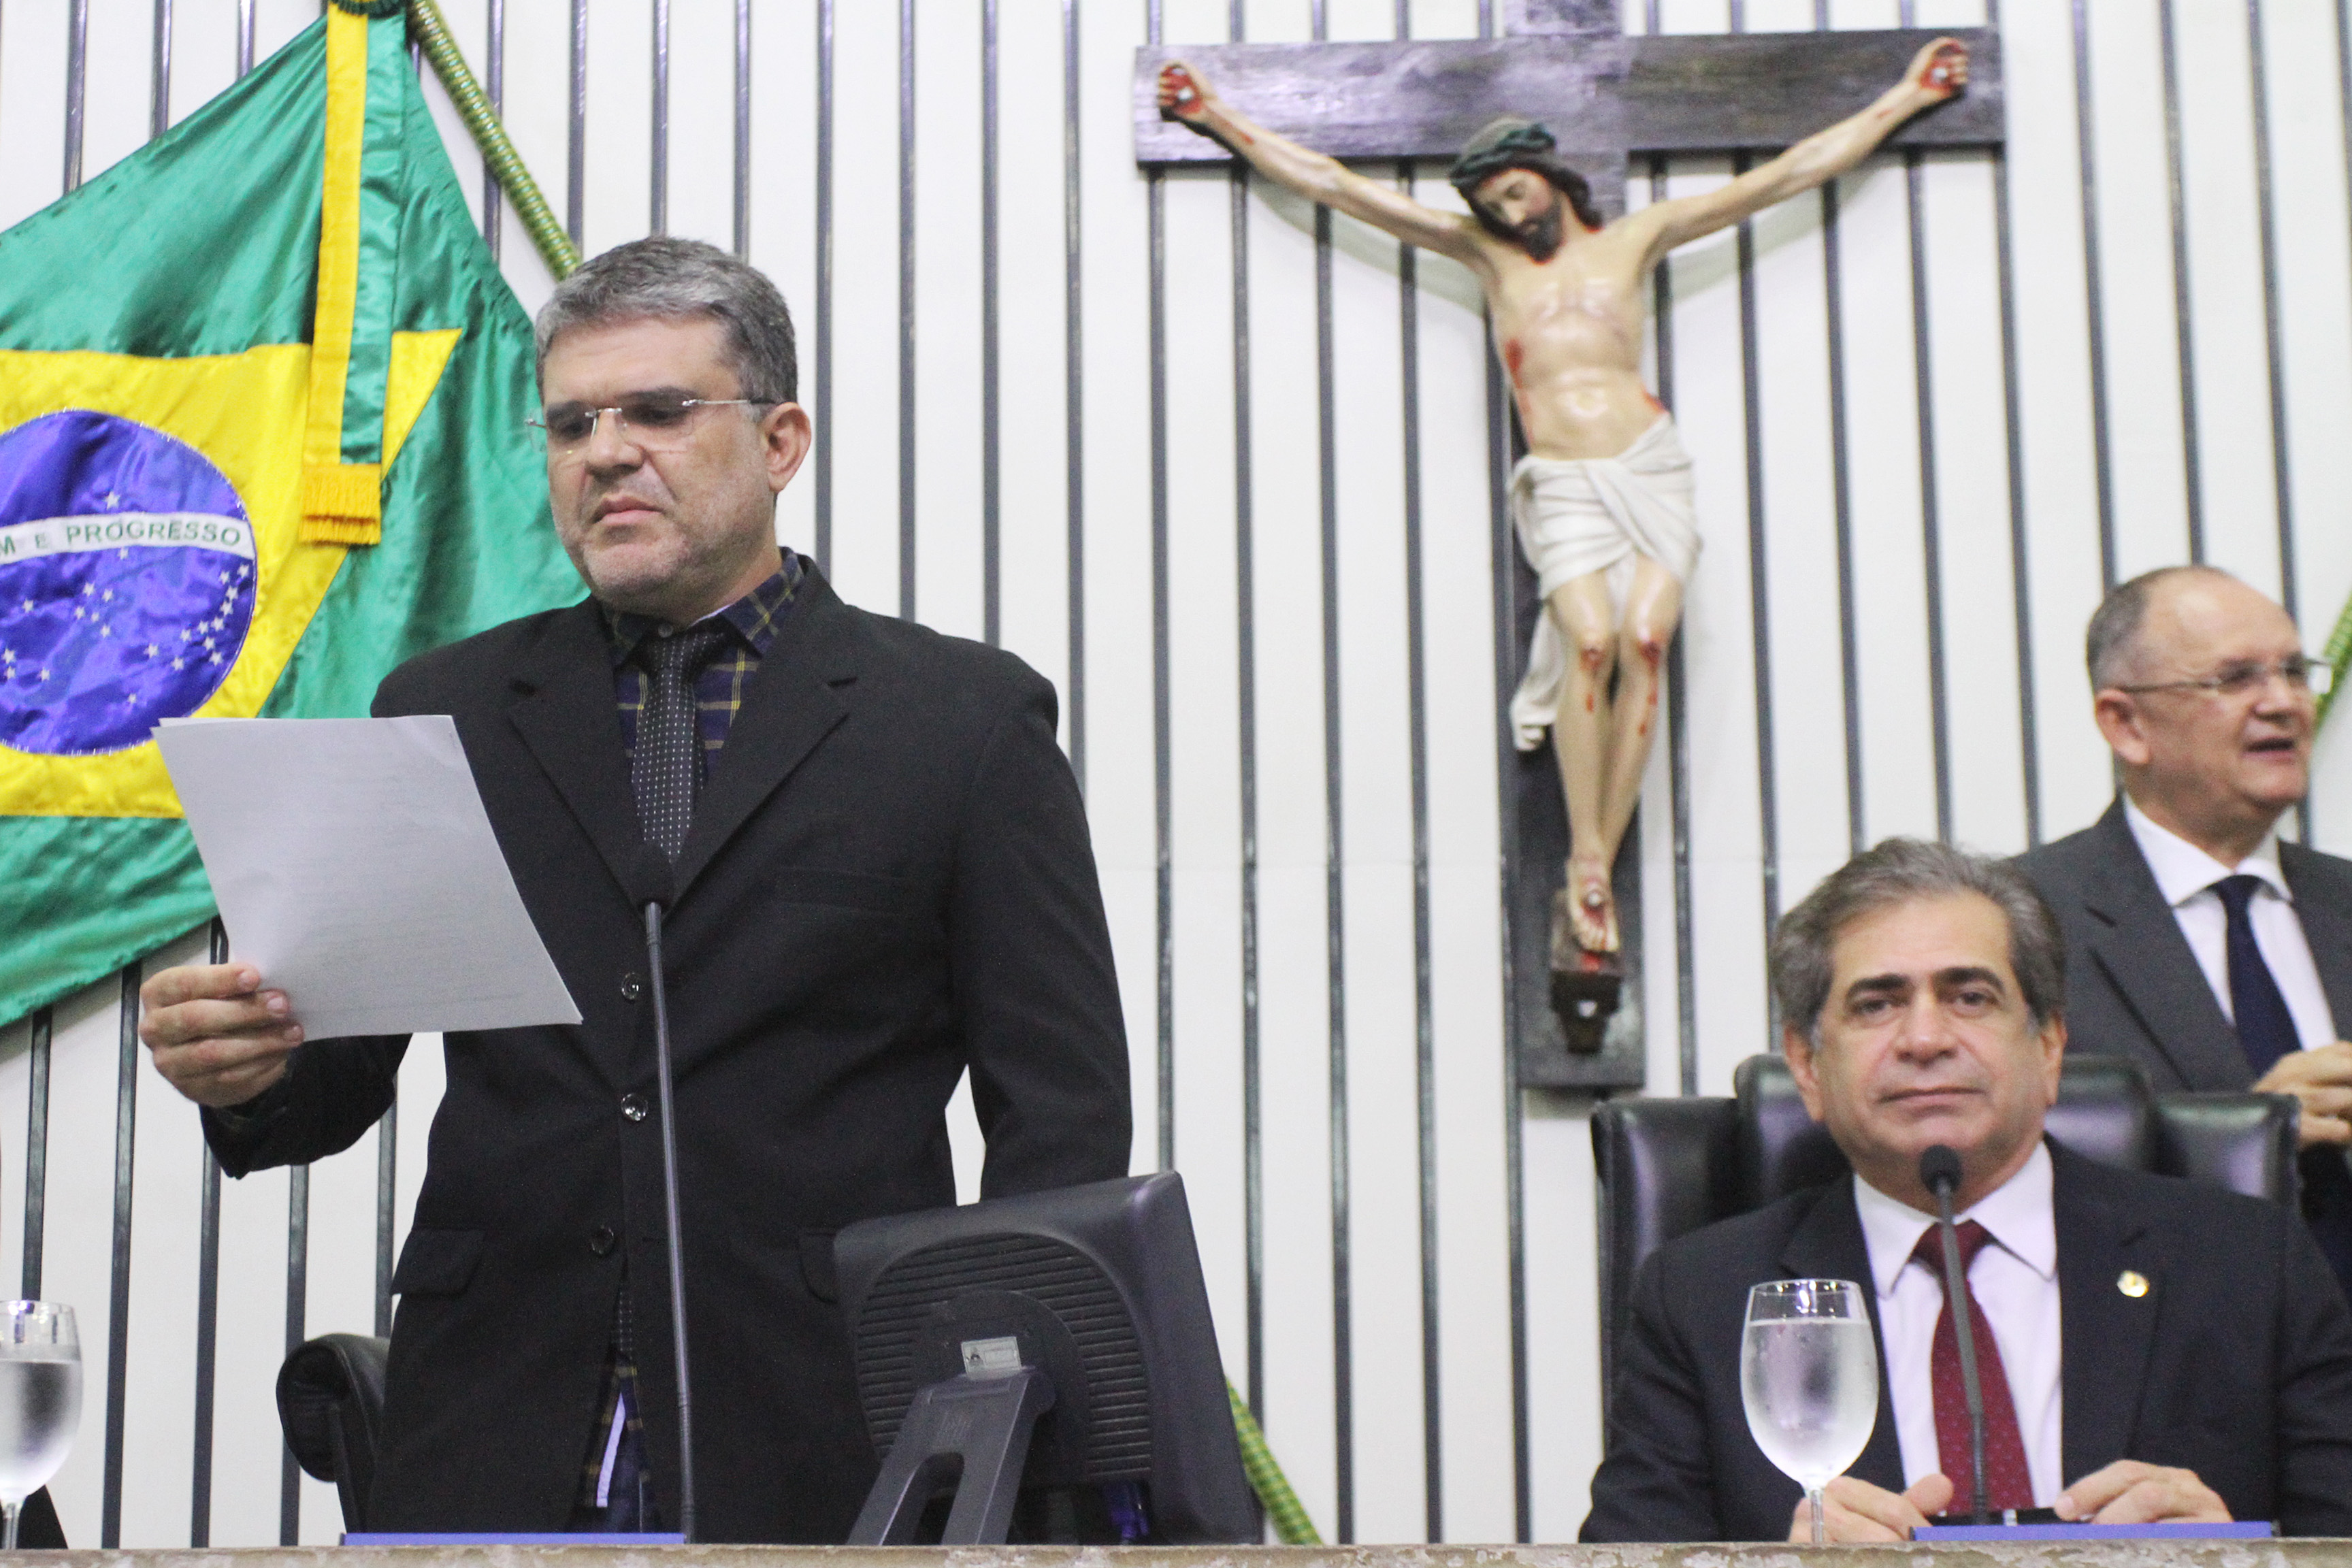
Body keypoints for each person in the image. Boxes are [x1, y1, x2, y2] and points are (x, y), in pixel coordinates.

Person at [135, 238, 1132, 1542]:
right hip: (488, 1415)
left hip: (828, 1426)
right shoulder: (447, 706)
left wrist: (999, 1415)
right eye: (571, 423)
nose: (605, 452)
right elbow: (334, 1071)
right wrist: (243, 1061)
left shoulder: (960, 719)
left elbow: (1059, 1113)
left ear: (780, 441)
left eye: (659, 410)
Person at [1156, 40, 1965, 974]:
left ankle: (1597, 862)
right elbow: (1337, 186)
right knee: (1588, 639)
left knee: (1646, 642)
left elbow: (1786, 175)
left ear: (1548, 174)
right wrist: (1217, 117)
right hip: (1567, 479)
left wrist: (1908, 96)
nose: (1509, 212)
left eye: (1516, 192)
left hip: (1648, 465)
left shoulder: (1638, 238)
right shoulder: (1486, 258)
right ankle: (1586, 851)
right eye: (1492, 203)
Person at [1582, 838, 2352, 1542]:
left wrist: (2247, 1560)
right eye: (1877, 1004)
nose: (1925, 1039)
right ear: (1808, 1066)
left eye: (1970, 997)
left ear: (2049, 1045)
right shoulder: (1704, 1301)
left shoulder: (2251, 1265)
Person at [2017, 566, 2352, 1301]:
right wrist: (2240, 1139)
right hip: (2163, 1334)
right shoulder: (2022, 922)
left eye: (2294, 672)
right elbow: (1997, 1170)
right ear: (2126, 724)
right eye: (2235, 679)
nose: (2283, 702)